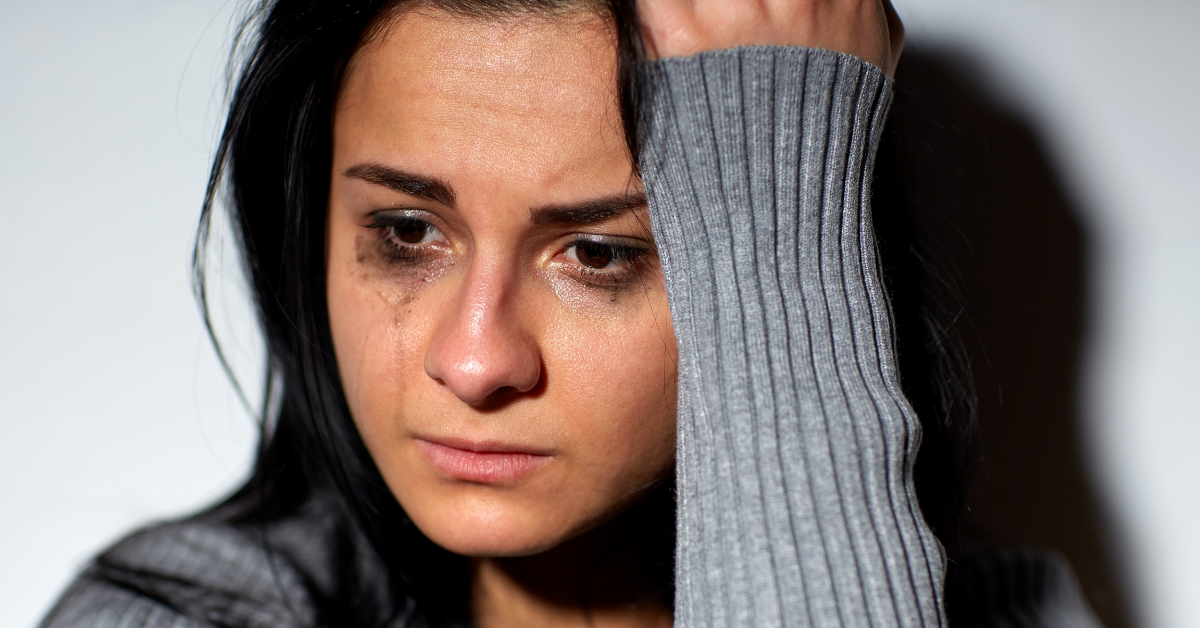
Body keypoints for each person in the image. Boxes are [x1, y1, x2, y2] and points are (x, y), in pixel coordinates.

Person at [39, 1, 1100, 627]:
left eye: (597, 253)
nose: (475, 359)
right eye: (407, 233)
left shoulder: (1009, 613)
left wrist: (777, 161)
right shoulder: (182, 611)